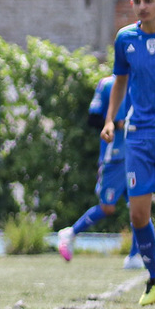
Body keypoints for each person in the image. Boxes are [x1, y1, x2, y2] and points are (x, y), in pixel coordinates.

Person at [101, 0, 155, 309]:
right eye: (137, 1)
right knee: (137, 215)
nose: (142, 6)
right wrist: (110, 119)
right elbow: (119, 81)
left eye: (148, 0)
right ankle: (154, 278)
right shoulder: (126, 39)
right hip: (139, 134)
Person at [57, 75, 142, 268]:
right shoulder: (107, 84)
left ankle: (135, 255)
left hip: (136, 155)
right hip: (114, 157)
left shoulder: (140, 80)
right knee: (107, 207)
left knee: (139, 207)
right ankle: (71, 233)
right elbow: (93, 118)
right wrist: (116, 123)